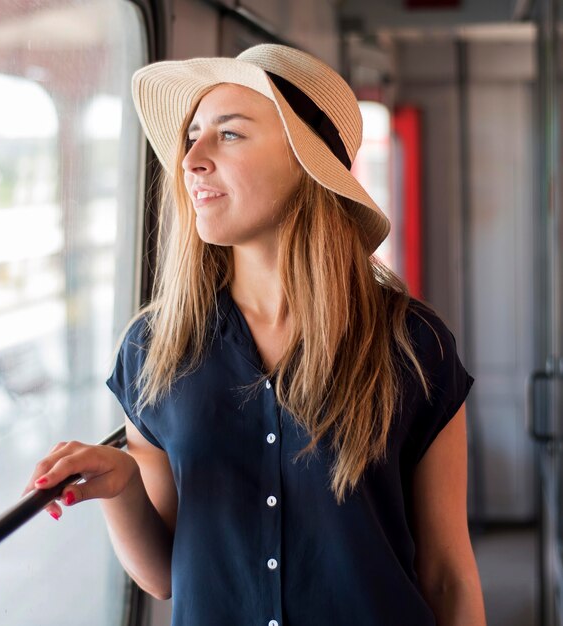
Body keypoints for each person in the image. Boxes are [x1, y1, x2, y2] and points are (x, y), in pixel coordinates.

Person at [24, 44, 486, 626]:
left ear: (307, 163)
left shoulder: (414, 346)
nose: (191, 158)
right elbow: (163, 575)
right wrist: (122, 488)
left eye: (230, 135)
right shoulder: (154, 348)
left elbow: (447, 576)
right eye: (191, 135)